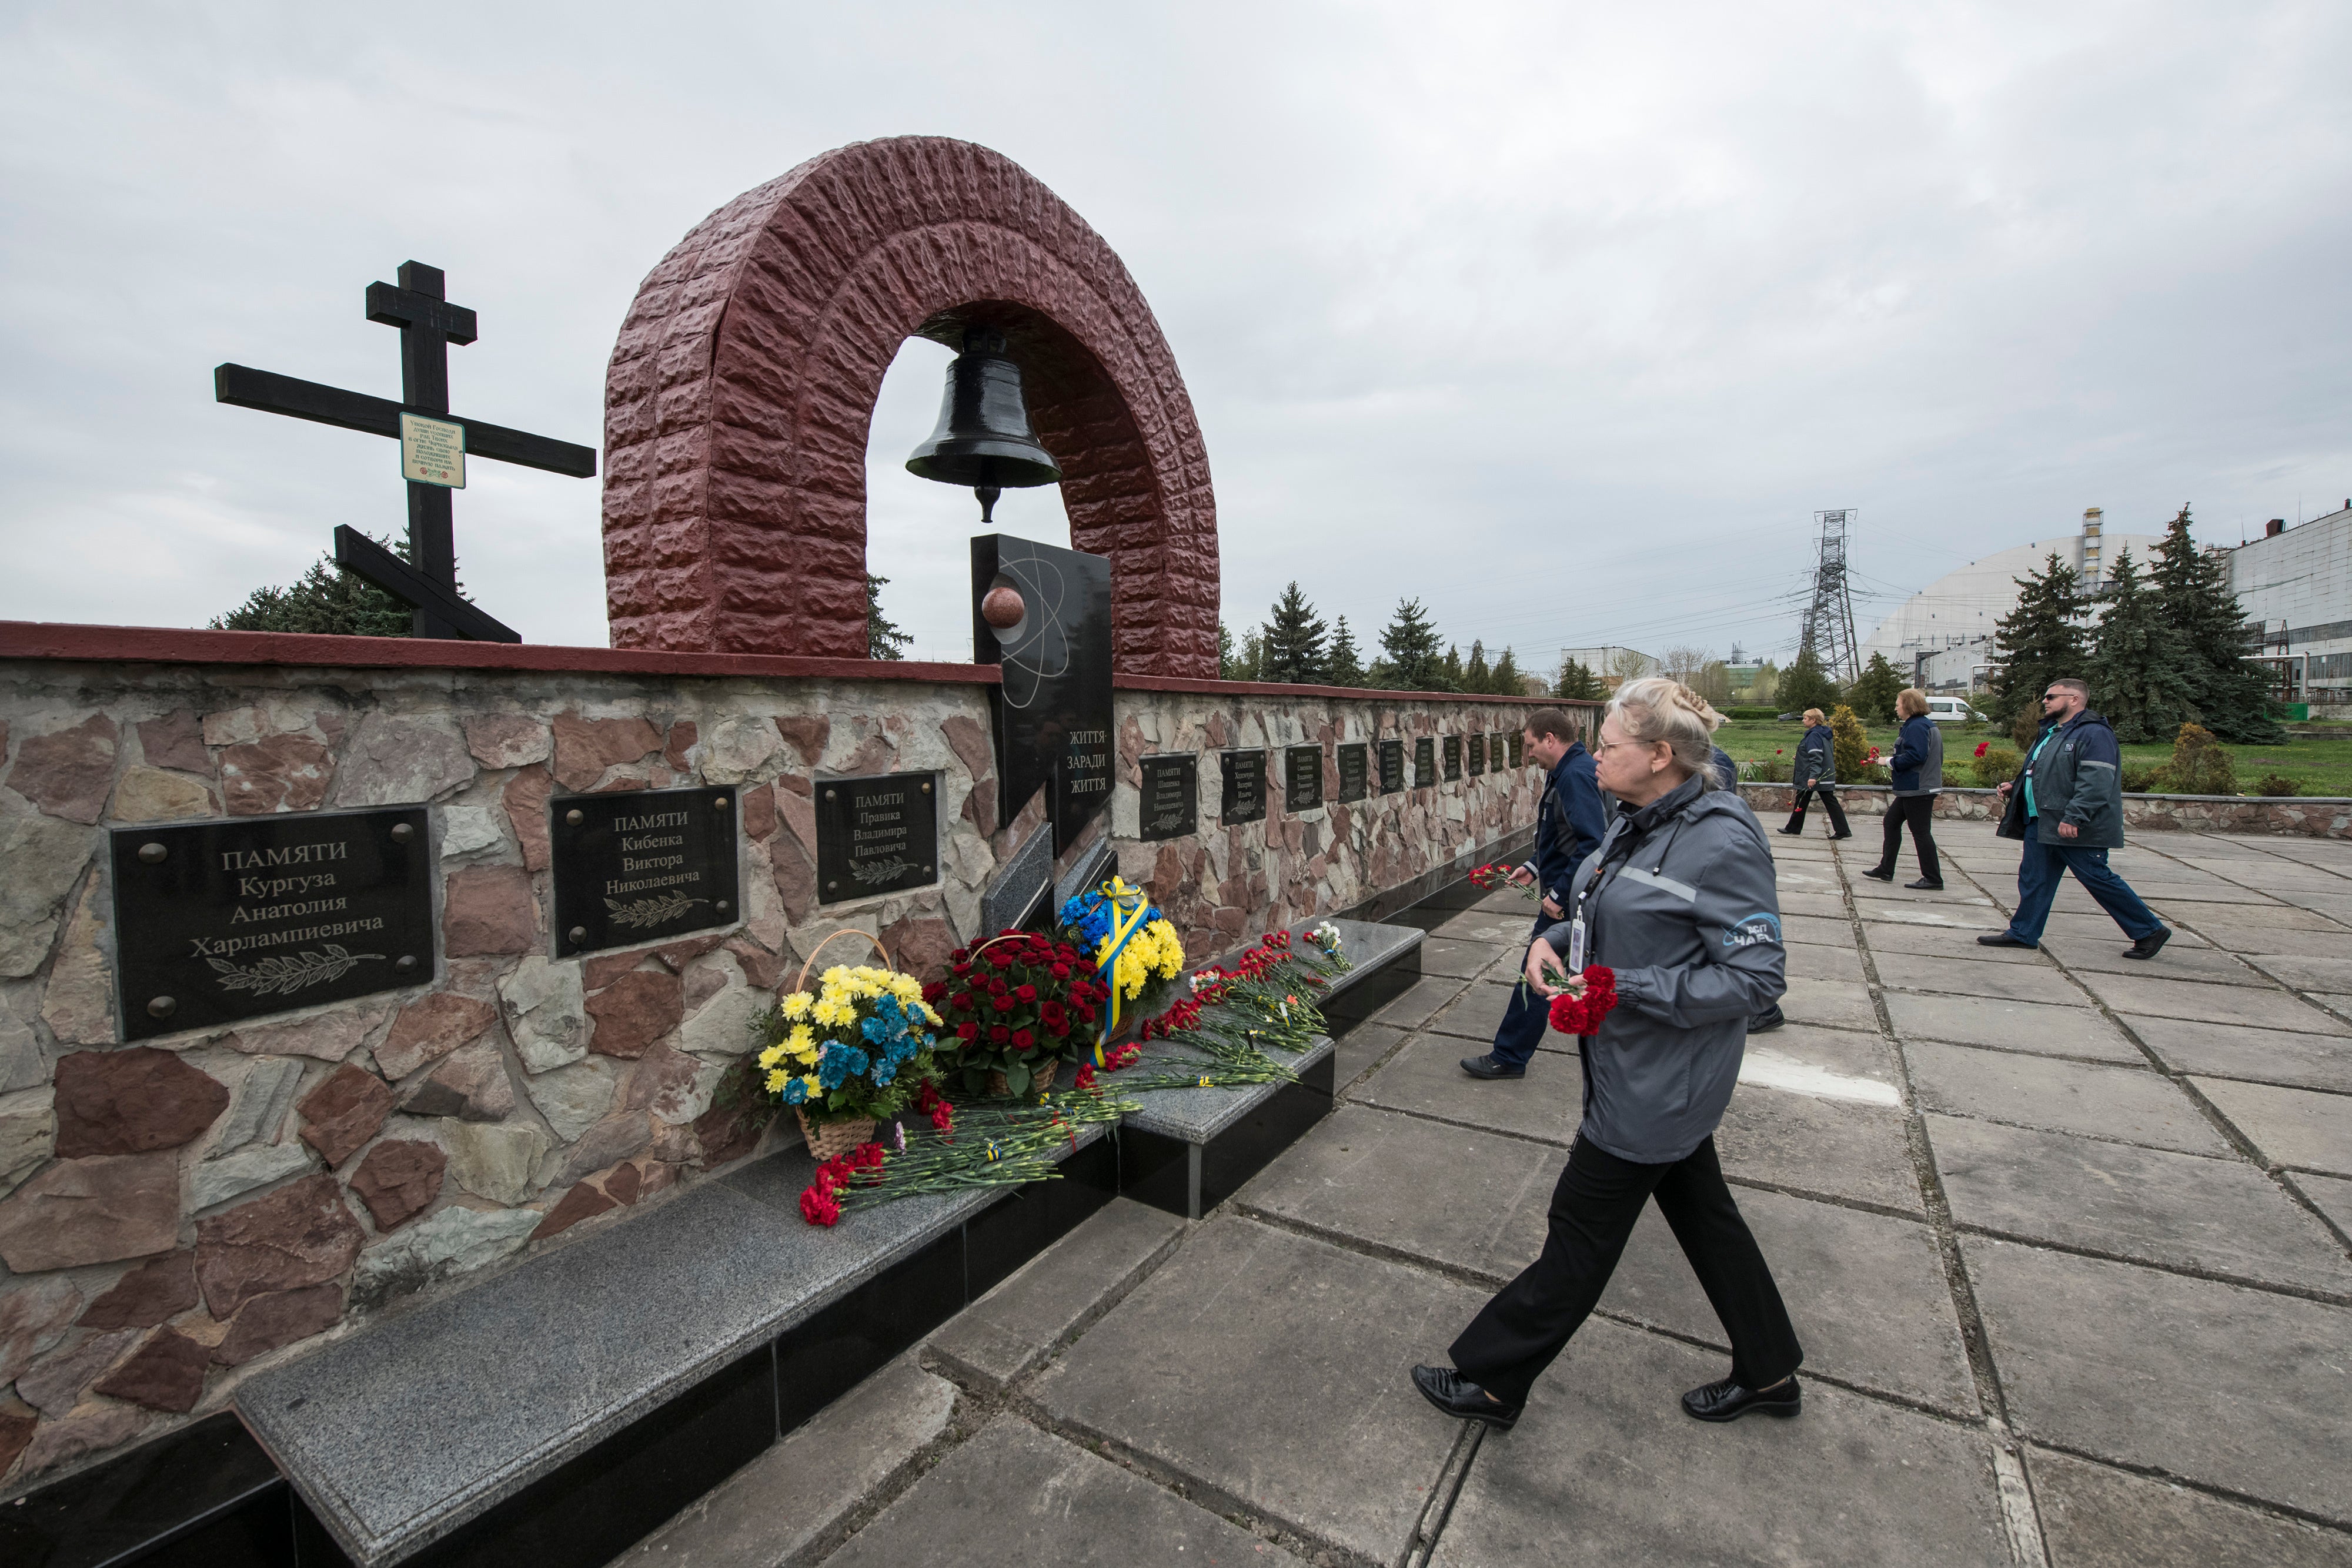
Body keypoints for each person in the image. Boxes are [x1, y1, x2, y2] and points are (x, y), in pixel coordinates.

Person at [1414, 679, 1803, 1431]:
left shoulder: (1721, 841)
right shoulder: (1640, 819)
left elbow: (1757, 980)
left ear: (1659, 756)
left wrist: (1618, 984)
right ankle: (1771, 1368)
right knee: (1707, 1220)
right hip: (1634, 1066)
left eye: (1610, 746)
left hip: (1661, 1082)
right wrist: (1555, 938)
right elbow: (1606, 903)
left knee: (1579, 1231)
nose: (1594, 758)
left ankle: (1494, 1380)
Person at [1980, 678, 2170, 959]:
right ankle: (2023, 933)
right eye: (2046, 696)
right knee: (2034, 880)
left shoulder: (2094, 734)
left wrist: (2075, 816)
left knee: (2097, 878)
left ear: (2074, 700)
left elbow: (2096, 781)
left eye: (2051, 697)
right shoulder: (2052, 732)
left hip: (2074, 826)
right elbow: (2045, 771)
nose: (2045, 701)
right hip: (2042, 821)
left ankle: (2149, 930)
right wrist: (2017, 785)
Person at [1463, 709, 1605, 1079]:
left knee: (1537, 972)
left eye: (1530, 746)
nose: (1528, 755)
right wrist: (1535, 865)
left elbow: (1593, 843)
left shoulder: (1575, 776)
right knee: (1552, 973)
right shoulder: (1567, 771)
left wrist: (1559, 893)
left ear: (1550, 739)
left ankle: (1509, 1056)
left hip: (1567, 901)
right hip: (1565, 893)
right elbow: (1561, 834)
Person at [1863, 689, 1944, 890]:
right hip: (1914, 788)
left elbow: (1916, 756)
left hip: (1918, 788)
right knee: (1891, 822)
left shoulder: (1917, 727)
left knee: (1921, 832)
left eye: (1898, 704)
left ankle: (1933, 878)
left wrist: (1889, 761)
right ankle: (1886, 869)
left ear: (1908, 706)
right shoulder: (1920, 725)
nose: (1896, 708)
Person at [1779, 708, 1850, 838]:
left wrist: (1813, 776)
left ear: (1813, 720)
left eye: (1805, 718)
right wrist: (1801, 756)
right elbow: (1816, 753)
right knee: (1803, 800)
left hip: (1814, 776)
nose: (1803, 721)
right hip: (1821, 774)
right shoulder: (1823, 734)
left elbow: (1816, 756)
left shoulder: (1814, 736)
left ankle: (1843, 830)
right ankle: (1794, 827)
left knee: (1827, 801)